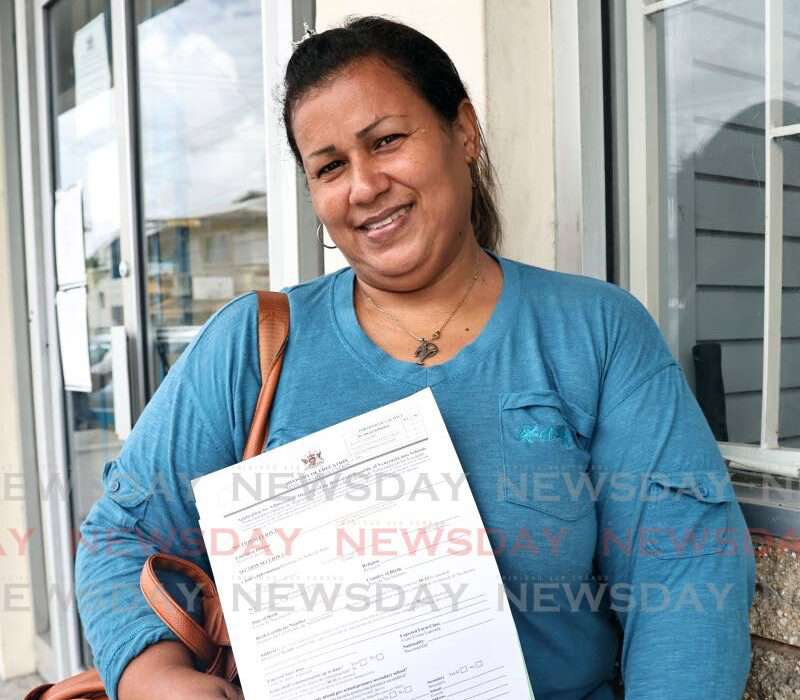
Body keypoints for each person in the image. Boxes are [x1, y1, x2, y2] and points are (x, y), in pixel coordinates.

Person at [75, 16, 755, 700]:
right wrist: (154, 676)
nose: (364, 185)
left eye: (387, 141)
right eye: (330, 166)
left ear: (464, 131)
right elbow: (122, 536)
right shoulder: (252, 346)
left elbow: (685, 570)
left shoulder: (594, 332)